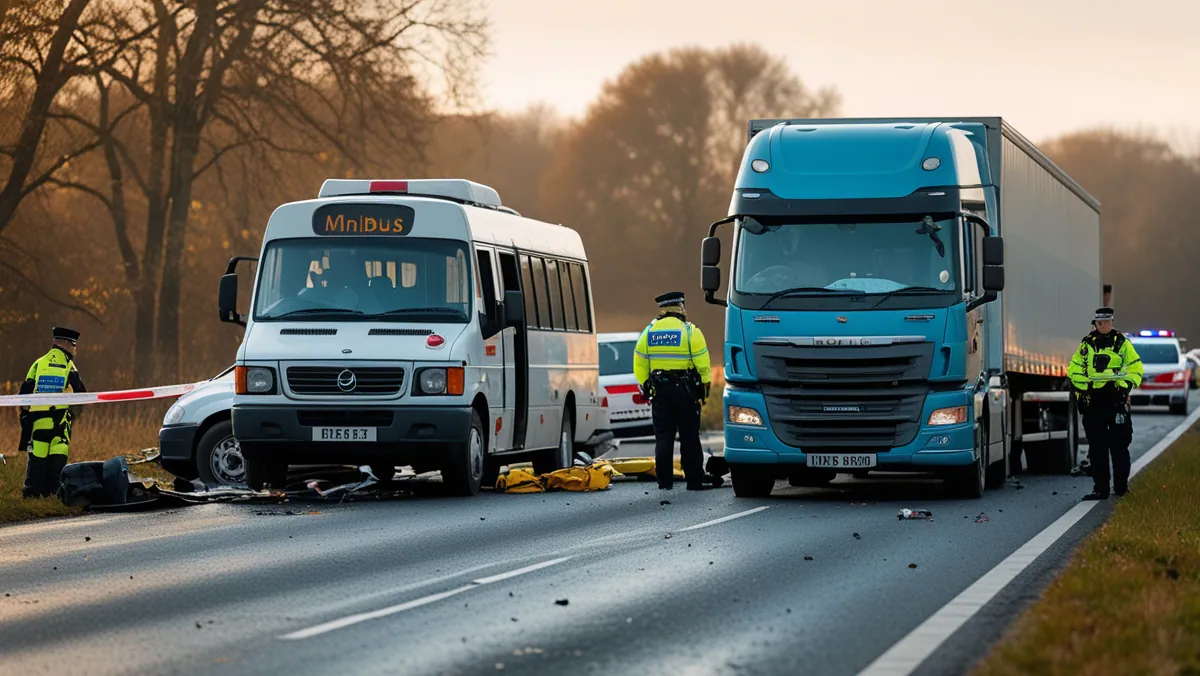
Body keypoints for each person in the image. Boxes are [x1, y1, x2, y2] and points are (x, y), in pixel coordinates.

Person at [633, 292, 712, 490]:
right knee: (689, 437)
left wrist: (646, 384)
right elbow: (703, 365)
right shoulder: (690, 332)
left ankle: (664, 482)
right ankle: (694, 481)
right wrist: (704, 387)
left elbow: (639, 364)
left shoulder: (649, 332)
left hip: (660, 393)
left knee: (663, 438)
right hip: (685, 393)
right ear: (680, 308)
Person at [1067, 307, 1143, 500]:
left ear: (1112, 322)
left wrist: (1124, 387)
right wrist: (1085, 389)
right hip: (1094, 402)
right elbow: (1074, 370)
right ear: (1095, 324)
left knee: (1119, 446)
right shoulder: (1086, 345)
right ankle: (1100, 489)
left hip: (1116, 401)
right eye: (1100, 323)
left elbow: (1136, 367)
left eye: (1107, 322)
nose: (1103, 326)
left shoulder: (1122, 343)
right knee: (1097, 448)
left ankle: (1121, 488)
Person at [18, 327, 87, 498]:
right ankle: (53, 494)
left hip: (38, 422)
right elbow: (81, 393)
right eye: (74, 345)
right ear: (65, 343)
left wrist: (25, 417)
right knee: (57, 459)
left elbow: (24, 394)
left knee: (37, 460)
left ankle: (32, 494)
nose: (75, 349)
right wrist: (73, 414)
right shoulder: (68, 365)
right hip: (59, 422)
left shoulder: (38, 363)